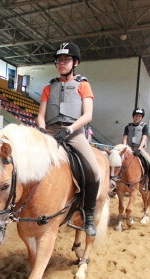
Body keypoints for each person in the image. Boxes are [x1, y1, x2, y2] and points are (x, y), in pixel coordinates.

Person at [36, 42, 99, 236]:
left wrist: (69, 129)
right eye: (59, 60)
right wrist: (41, 130)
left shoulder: (83, 85)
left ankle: (88, 215)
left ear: (75, 62)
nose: (62, 63)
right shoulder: (49, 88)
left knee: (94, 172)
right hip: (50, 133)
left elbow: (88, 115)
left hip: (74, 134)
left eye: (66, 59)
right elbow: (40, 115)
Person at [122, 107, 150, 193]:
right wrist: (125, 147)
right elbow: (125, 137)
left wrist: (140, 149)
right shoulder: (128, 126)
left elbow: (144, 137)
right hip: (129, 149)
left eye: (139, 116)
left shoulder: (144, 126)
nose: (137, 117)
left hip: (139, 149)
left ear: (141, 117)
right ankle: (116, 182)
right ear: (133, 116)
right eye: (136, 116)